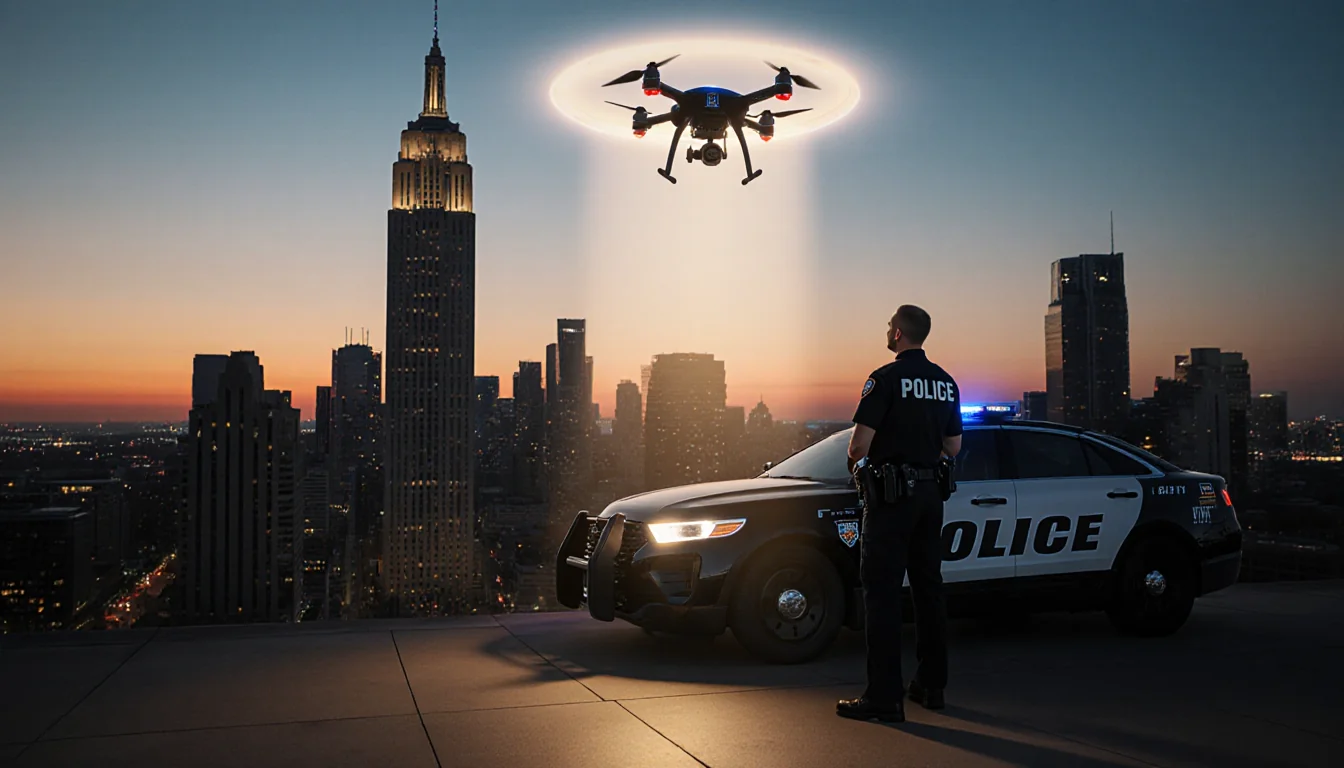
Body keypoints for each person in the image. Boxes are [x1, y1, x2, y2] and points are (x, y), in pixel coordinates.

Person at [836, 305, 962, 724]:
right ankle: (931, 686)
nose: (887, 330)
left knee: (882, 593)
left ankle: (884, 697)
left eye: (889, 325)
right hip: (930, 497)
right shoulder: (945, 382)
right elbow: (954, 447)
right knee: (929, 589)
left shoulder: (885, 379)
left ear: (897, 333)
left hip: (891, 500)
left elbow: (858, 446)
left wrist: (862, 460)